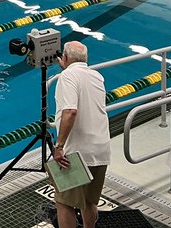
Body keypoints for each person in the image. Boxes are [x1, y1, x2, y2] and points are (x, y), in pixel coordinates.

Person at [52, 40, 111, 228]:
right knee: (89, 202)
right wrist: (66, 69)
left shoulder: (67, 77)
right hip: (100, 149)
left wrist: (59, 146)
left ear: (66, 57)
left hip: (77, 153)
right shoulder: (97, 76)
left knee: (64, 202)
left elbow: (70, 111)